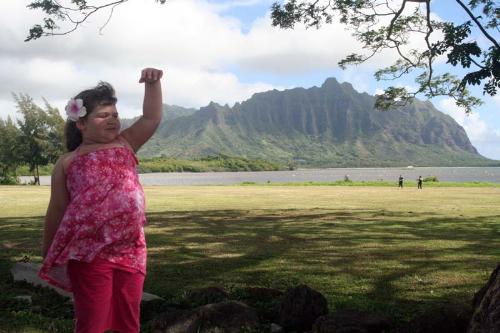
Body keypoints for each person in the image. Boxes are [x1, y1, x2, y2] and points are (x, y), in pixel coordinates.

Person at [39, 68, 163, 333]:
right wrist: (48, 251)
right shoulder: (68, 162)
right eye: (103, 115)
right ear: (81, 123)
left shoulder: (126, 143)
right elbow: (57, 209)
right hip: (89, 252)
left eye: (115, 115)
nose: (112, 120)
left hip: (131, 249)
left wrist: (153, 84)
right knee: (93, 322)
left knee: (128, 321)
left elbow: (152, 117)